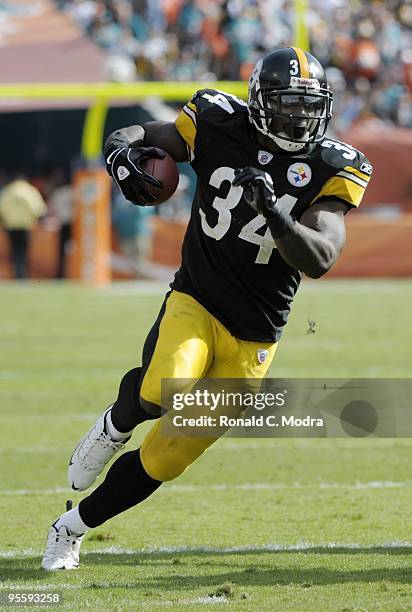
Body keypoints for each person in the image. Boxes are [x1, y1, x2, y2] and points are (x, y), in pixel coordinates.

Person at [42, 47, 373, 570]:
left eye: (309, 107)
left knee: (168, 456)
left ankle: (72, 526)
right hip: (198, 297)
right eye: (288, 106)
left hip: (257, 335)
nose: (299, 119)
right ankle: (112, 426)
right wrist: (118, 155)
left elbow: (323, 257)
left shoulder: (331, 166)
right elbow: (138, 135)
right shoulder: (218, 120)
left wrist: (276, 214)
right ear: (260, 103)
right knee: (160, 388)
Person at [0, 174, 47, 279]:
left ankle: (16, 273)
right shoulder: (30, 191)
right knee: (23, 251)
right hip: (25, 226)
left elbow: (1, 209)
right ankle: (22, 274)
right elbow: (39, 209)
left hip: (10, 226)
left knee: (14, 250)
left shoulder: (9, 190)